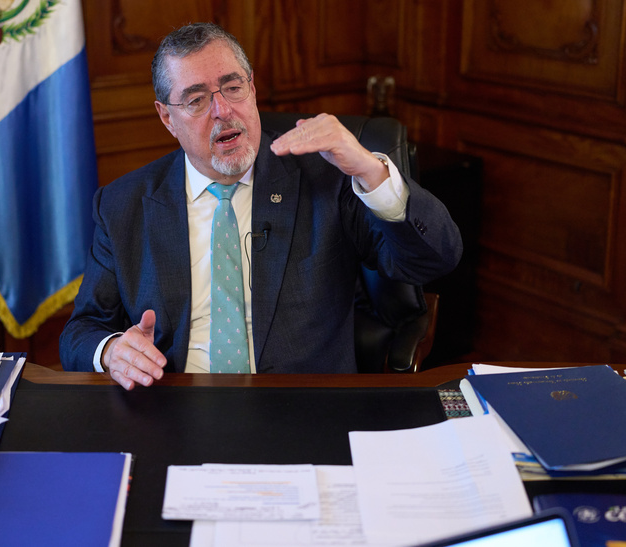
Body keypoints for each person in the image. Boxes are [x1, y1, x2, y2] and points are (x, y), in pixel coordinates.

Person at [59, 22, 462, 389]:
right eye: (196, 100)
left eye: (233, 87)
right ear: (167, 117)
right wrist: (112, 351)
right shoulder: (123, 204)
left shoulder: (325, 178)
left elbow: (434, 258)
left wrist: (370, 170)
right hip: (174, 407)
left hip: (304, 410)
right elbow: (81, 332)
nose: (223, 111)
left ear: (251, 88)